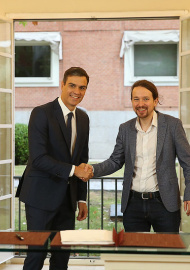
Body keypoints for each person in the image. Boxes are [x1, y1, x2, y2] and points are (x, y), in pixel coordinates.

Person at [84, 79, 190, 233]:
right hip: (133, 205)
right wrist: (91, 169)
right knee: (135, 254)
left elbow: (187, 162)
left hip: (164, 204)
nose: (141, 104)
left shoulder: (173, 125)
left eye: (146, 99)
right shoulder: (125, 129)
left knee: (167, 255)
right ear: (132, 101)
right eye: (136, 99)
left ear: (155, 100)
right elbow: (115, 161)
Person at [16, 67, 93, 270]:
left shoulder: (84, 118)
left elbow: (82, 160)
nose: (77, 91)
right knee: (36, 256)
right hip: (40, 197)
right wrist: (73, 170)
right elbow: (39, 159)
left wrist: (81, 198)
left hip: (67, 200)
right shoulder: (41, 113)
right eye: (72, 85)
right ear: (62, 85)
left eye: (82, 87)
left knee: (61, 259)